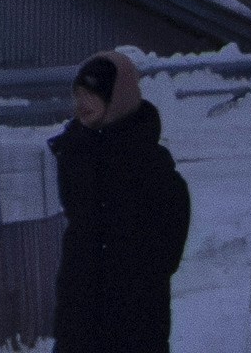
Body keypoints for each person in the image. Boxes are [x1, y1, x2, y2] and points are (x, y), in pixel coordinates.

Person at [51, 49, 191, 353]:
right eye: (78, 94)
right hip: (78, 320)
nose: (81, 103)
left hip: (134, 325)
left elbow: (167, 249)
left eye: (92, 93)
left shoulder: (150, 164)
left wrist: (131, 279)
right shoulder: (75, 151)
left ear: (118, 97)